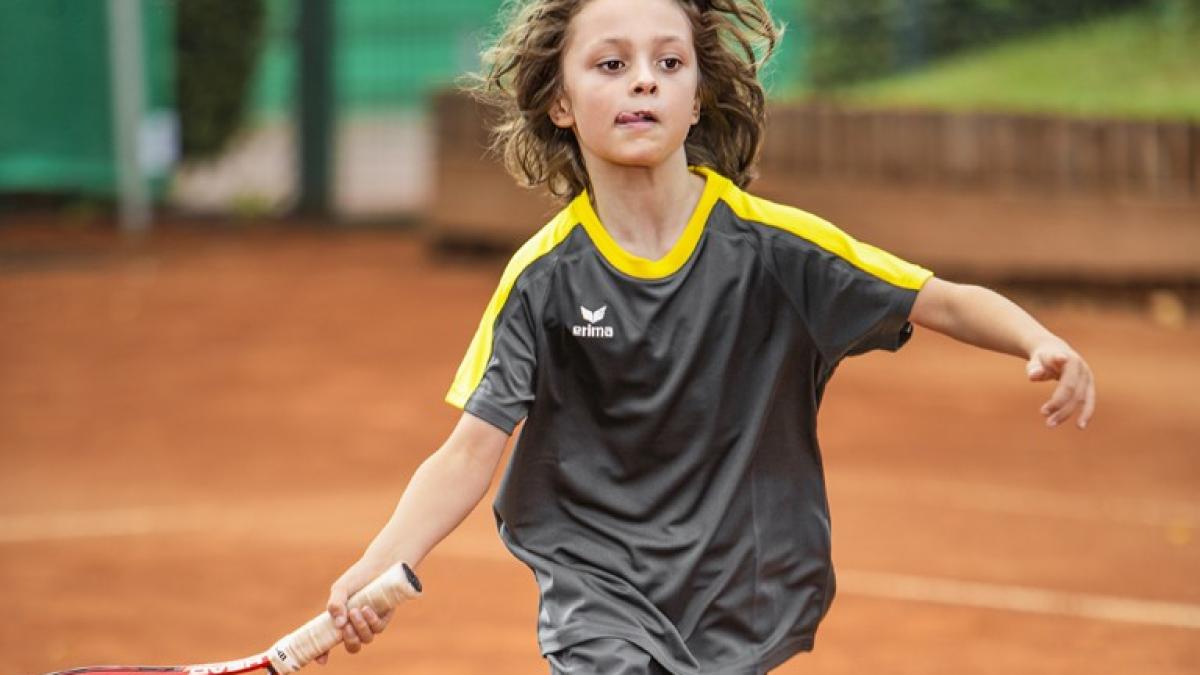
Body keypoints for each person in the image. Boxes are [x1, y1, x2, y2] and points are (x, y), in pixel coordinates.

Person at [316, 0, 1097, 672]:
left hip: (734, 584)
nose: (644, 79)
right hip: (597, 585)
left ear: (696, 100)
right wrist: (383, 557)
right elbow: (469, 449)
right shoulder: (544, 277)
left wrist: (1036, 340)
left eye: (668, 62)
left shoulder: (772, 246)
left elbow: (938, 298)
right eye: (612, 64)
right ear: (560, 101)